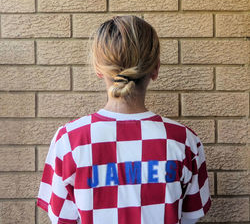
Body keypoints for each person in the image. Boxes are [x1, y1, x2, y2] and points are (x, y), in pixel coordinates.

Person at [36, 15, 212, 224]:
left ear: (98, 69)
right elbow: (192, 216)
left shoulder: (69, 140)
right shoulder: (184, 140)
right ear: (155, 68)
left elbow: (62, 218)